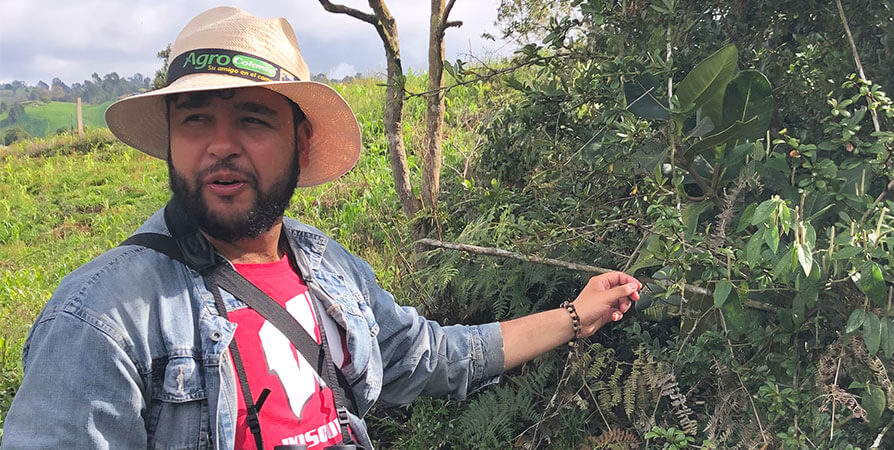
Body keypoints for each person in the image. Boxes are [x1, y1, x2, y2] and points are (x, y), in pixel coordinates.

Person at [1, 7, 639, 450]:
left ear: (300, 142)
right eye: (196, 119)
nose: (220, 146)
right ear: (171, 139)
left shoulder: (328, 268)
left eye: (253, 120)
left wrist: (576, 315)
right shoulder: (103, 319)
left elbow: (434, 357)